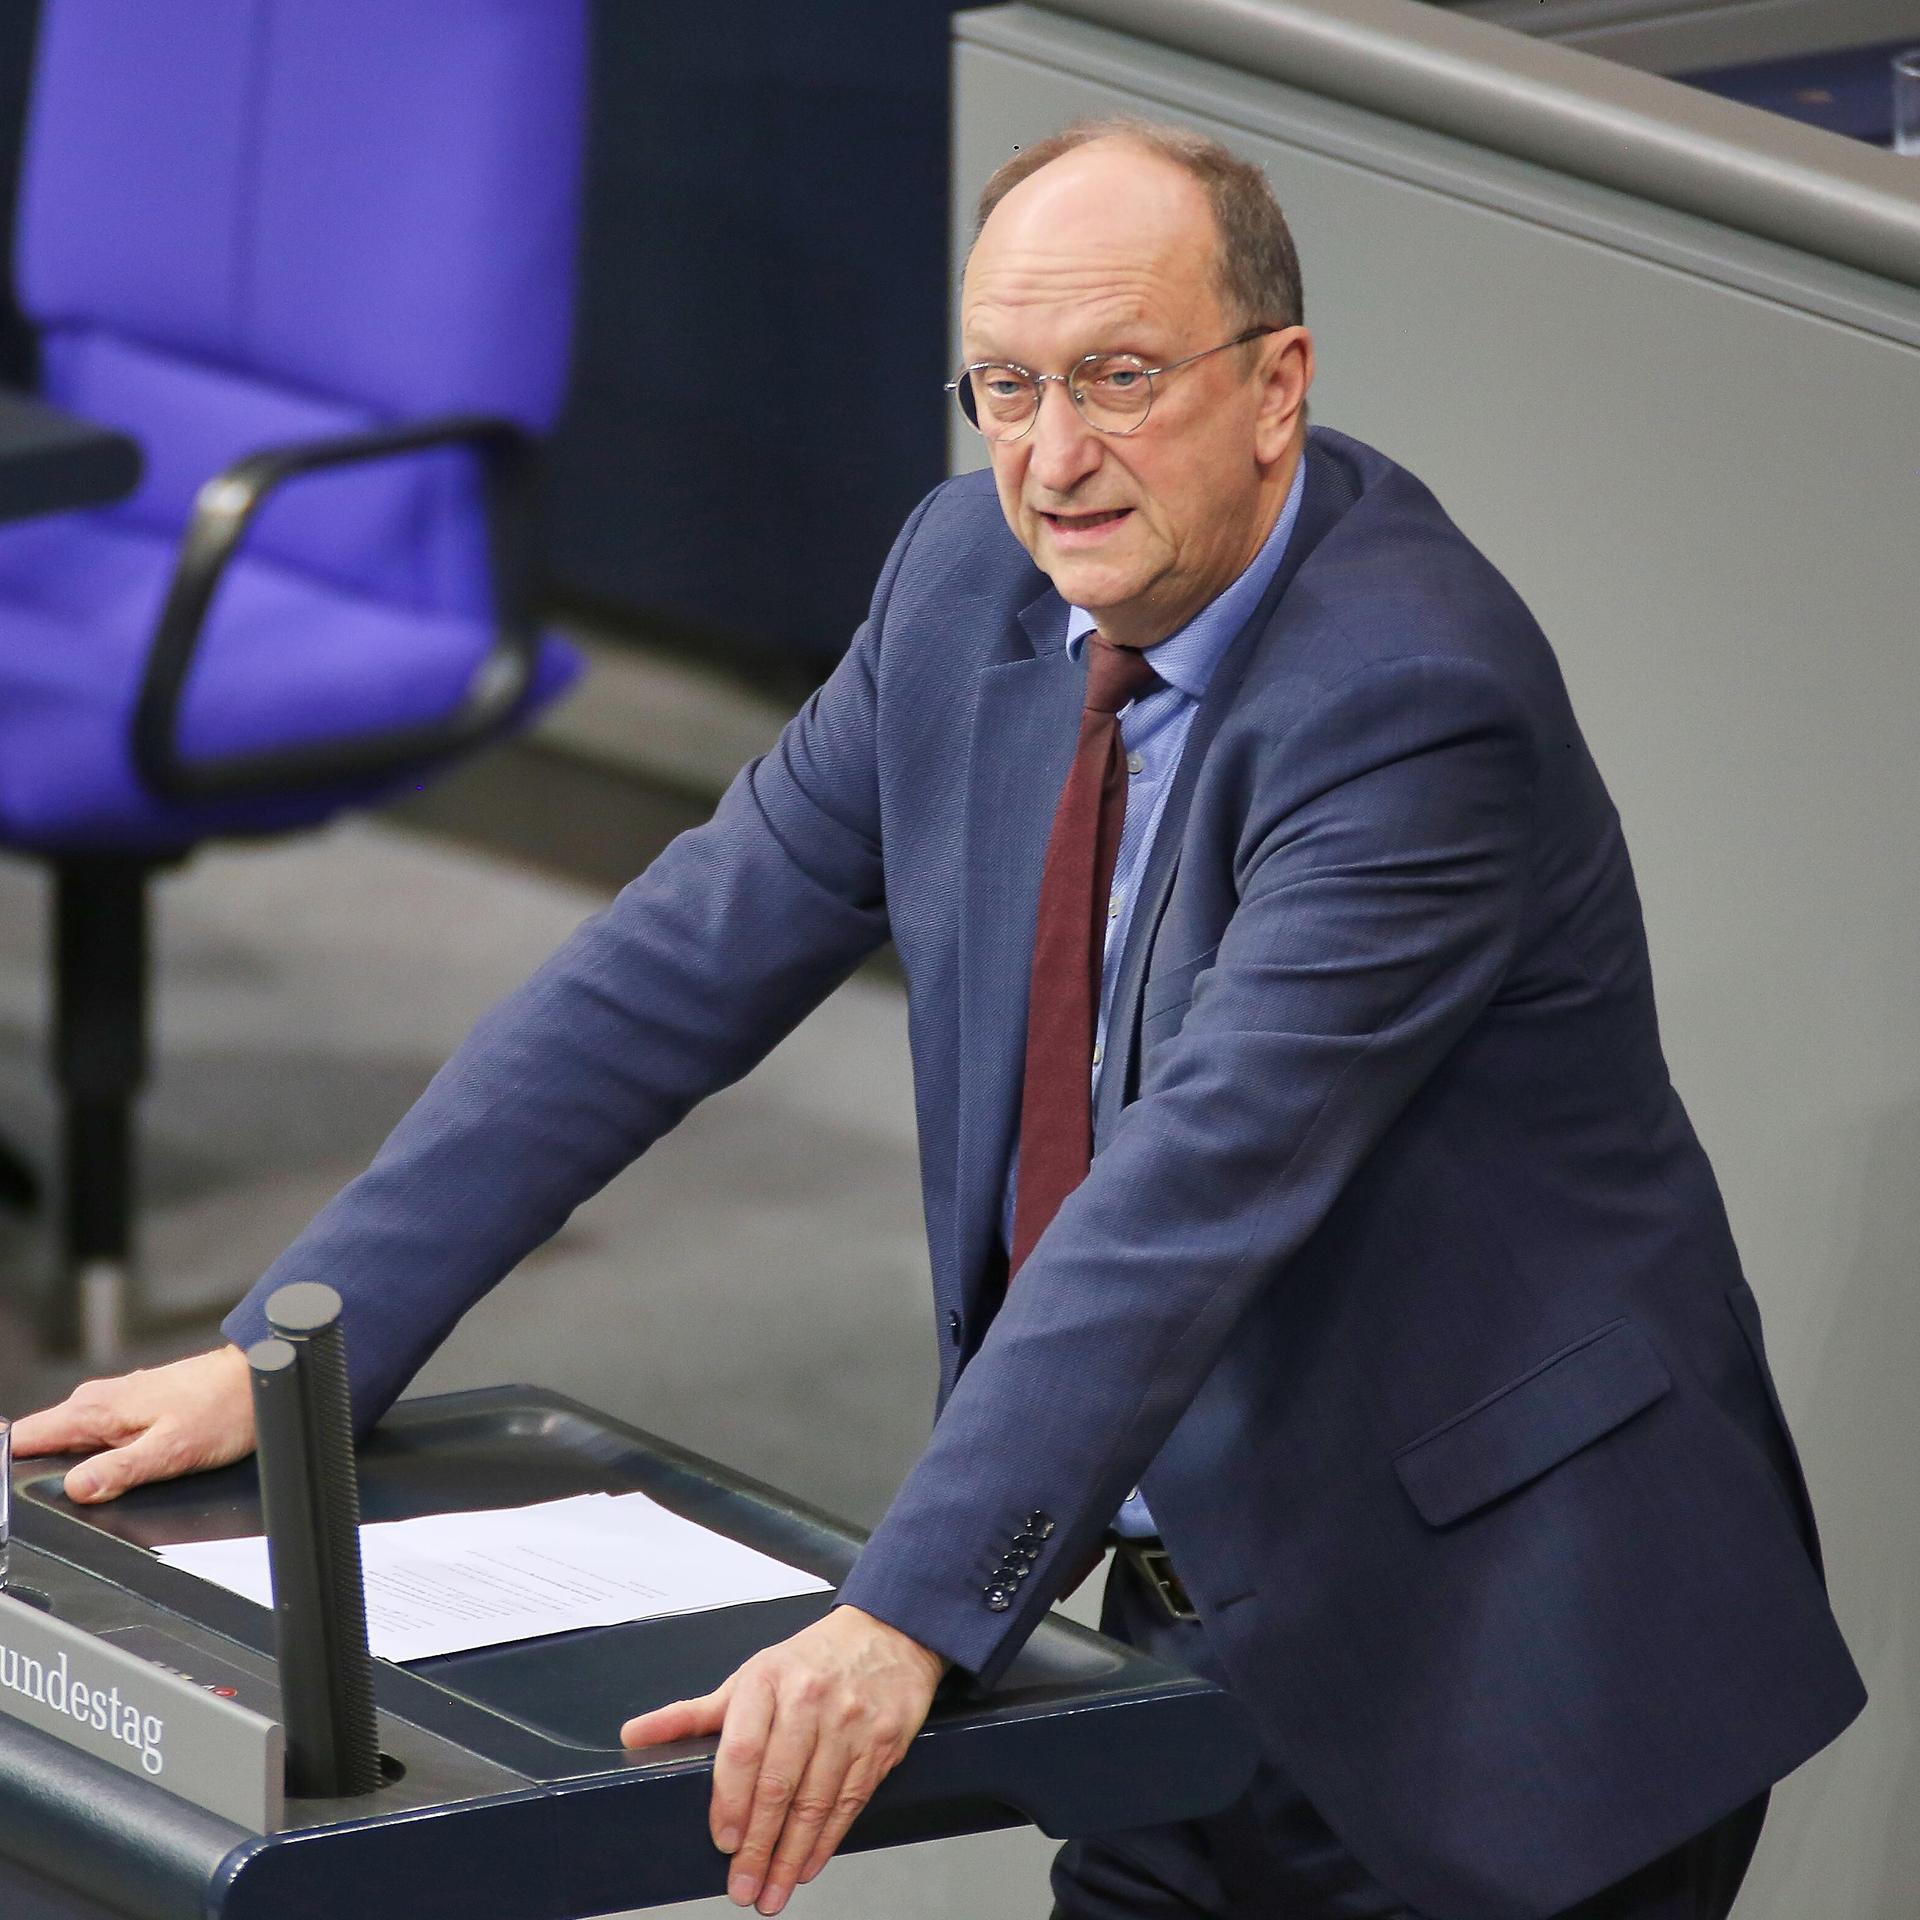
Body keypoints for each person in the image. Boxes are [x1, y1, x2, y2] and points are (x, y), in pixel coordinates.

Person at [15, 121, 1863, 1920]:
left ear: (1276, 384)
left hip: (1509, 1661)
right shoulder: (967, 576)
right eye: (1005, 387)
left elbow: (1190, 1191)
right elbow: (665, 972)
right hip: (1181, 1630)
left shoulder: (1411, 707)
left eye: (1119, 378)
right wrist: (294, 1361)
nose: (1053, 458)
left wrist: (904, 1613)